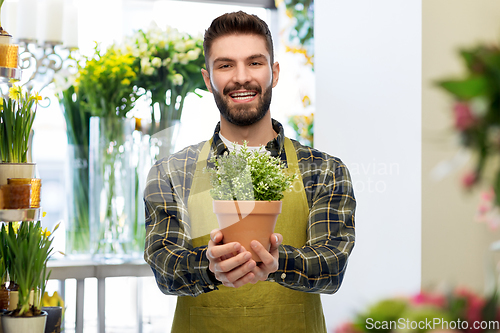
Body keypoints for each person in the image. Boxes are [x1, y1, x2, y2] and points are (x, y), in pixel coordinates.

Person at [144, 11, 356, 333]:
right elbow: (165, 265)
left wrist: (276, 263)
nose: (241, 77)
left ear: (274, 72)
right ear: (207, 78)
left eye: (255, 63)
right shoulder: (172, 172)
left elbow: (331, 266)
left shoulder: (324, 170)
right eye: (225, 65)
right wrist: (210, 267)